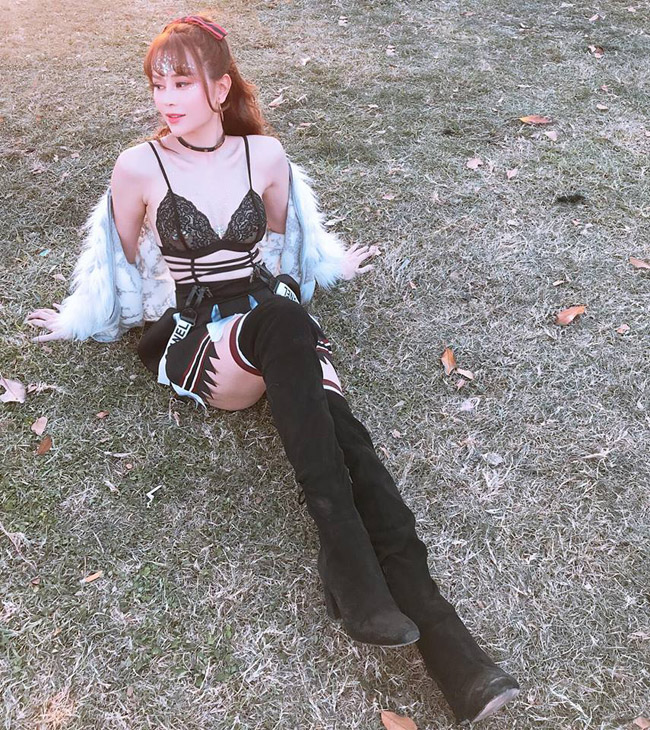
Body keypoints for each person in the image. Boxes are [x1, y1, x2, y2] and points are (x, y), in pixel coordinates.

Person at [27, 14, 520, 723]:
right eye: (157, 84)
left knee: (349, 439)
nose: (166, 98)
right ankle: (345, 556)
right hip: (201, 341)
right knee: (289, 326)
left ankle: (455, 655)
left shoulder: (265, 155)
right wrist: (78, 317)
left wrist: (330, 264)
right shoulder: (139, 165)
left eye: (182, 82)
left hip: (271, 325)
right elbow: (114, 259)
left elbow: (292, 240)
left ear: (221, 87)